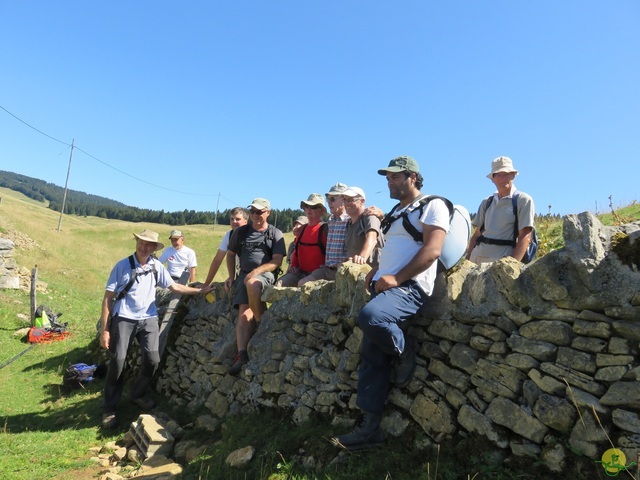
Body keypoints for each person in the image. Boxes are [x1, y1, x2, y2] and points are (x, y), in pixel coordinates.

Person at [332, 156, 449, 451]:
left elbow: (433, 250)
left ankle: (404, 348)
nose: (389, 182)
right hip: (387, 285)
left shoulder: (433, 205)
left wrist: (396, 278)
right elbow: (394, 248)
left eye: (395, 177)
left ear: (412, 177)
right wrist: (377, 271)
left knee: (370, 317)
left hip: (410, 287)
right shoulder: (397, 211)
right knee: (371, 357)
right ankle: (370, 430)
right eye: (387, 177)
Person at [100, 229, 212, 429]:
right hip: (124, 317)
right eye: (141, 243)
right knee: (117, 360)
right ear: (137, 243)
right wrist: (105, 330)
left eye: (148, 244)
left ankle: (137, 394)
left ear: (154, 248)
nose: (143, 247)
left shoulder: (156, 266)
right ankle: (109, 408)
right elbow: (108, 298)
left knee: (152, 359)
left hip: (149, 318)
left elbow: (174, 287)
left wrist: (199, 291)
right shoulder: (122, 265)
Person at [225, 198, 286, 375]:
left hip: (265, 275)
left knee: (252, 283)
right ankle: (242, 354)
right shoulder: (241, 232)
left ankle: (261, 324)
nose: (255, 215)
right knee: (243, 313)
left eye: (259, 212)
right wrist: (231, 277)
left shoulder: (275, 233)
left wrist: (257, 272)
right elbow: (230, 255)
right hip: (243, 274)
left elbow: (277, 261)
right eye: (252, 211)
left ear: (268, 212)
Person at [466, 156, 535, 264]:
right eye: (498, 175)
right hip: (477, 258)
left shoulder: (523, 200)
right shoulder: (487, 202)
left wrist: (511, 267)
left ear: (513, 175)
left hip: (500, 261)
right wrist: (468, 261)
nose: (503, 179)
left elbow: (525, 236)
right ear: (492, 179)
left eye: (507, 174)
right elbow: (477, 234)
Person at [298, 183, 350, 285]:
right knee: (302, 283)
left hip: (342, 270)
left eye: (333, 199)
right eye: (328, 199)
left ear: (344, 199)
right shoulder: (331, 220)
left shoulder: (351, 220)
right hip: (326, 269)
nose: (329, 202)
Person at [277, 194, 328, 287]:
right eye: (307, 206)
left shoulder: (325, 229)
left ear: (321, 211)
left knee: (303, 284)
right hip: (300, 273)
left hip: (319, 275)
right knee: (279, 285)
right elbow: (297, 251)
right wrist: (293, 266)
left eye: (313, 207)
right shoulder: (302, 230)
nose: (309, 209)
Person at [203, 207, 249, 286]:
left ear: (245, 221)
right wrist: (206, 284)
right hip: (240, 276)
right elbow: (218, 259)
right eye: (232, 219)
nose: (234, 222)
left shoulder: (252, 235)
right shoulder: (229, 235)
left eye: (237, 219)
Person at [342, 186, 384, 267]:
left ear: (362, 201)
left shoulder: (370, 216)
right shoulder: (349, 224)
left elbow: (372, 239)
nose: (347, 203)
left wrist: (362, 257)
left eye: (351, 200)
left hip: (374, 273)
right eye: (345, 200)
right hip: (356, 272)